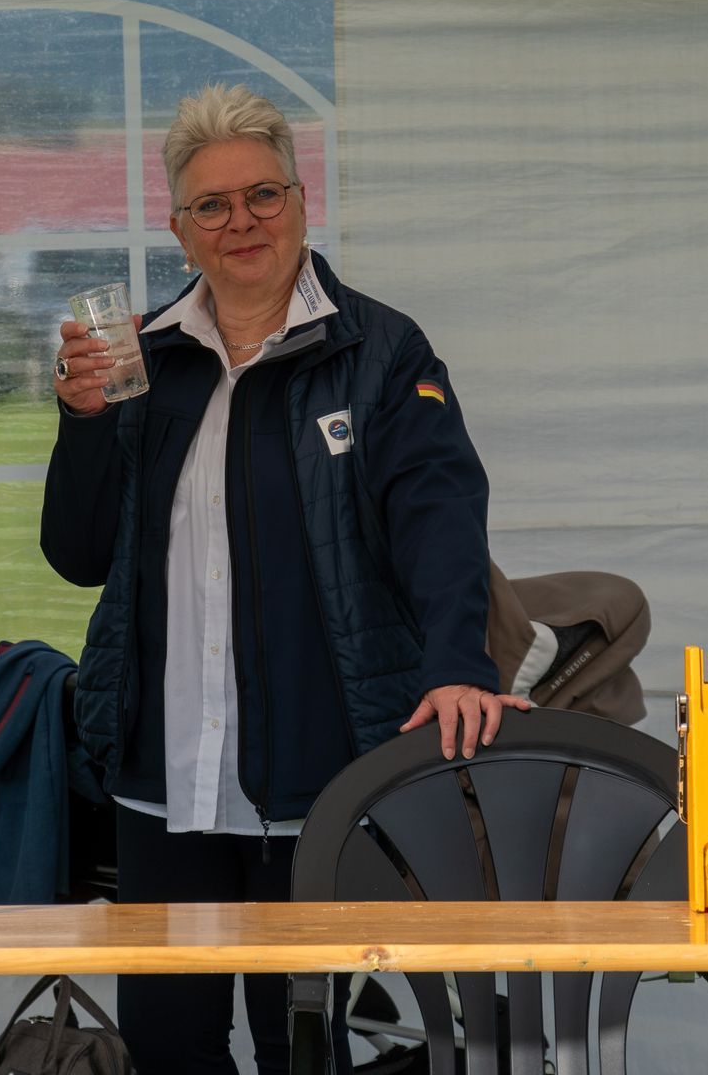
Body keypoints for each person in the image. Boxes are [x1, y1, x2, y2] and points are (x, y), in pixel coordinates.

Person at [43, 83, 529, 1074]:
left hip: (317, 777)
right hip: (161, 780)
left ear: (302, 202)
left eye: (262, 194)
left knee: (298, 1041)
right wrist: (83, 420)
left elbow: (439, 517)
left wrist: (456, 664)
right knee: (169, 1043)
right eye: (213, 205)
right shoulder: (141, 358)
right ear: (180, 230)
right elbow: (79, 553)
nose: (242, 222)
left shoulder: (381, 352)